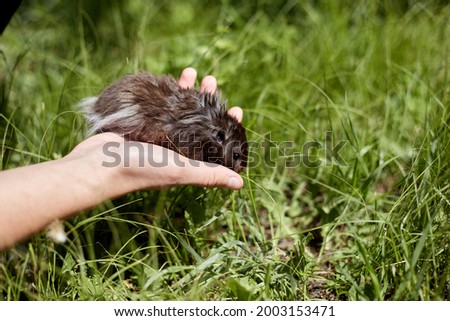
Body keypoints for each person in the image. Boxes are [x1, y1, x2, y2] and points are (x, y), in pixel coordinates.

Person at [0, 67, 244, 250]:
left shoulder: (204, 128)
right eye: (236, 156)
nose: (240, 164)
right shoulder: (193, 132)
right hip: (117, 110)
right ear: (218, 135)